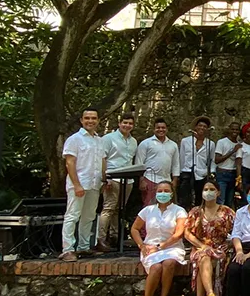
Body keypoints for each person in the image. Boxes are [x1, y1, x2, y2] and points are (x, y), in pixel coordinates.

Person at [129, 180, 187, 296]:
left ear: (172, 194)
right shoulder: (148, 210)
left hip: (172, 247)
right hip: (150, 247)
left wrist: (161, 246)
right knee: (156, 267)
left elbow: (179, 233)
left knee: (168, 263)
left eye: (166, 191)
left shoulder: (179, 210)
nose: (163, 194)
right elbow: (134, 229)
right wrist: (141, 244)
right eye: (160, 191)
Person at [183, 178, 235, 296]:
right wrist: (201, 245)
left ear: (218, 192)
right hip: (200, 246)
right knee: (203, 256)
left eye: (212, 189)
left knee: (204, 259)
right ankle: (210, 295)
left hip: (220, 248)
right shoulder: (195, 212)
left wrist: (230, 245)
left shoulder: (227, 212)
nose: (208, 192)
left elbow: (237, 233)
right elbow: (187, 233)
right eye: (206, 189)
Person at [60, 107, 108, 262]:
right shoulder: (74, 139)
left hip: (94, 184)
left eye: (93, 118)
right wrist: (77, 184)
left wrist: (104, 179)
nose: (90, 121)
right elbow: (70, 163)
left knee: (89, 217)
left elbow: (102, 162)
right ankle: (67, 249)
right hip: (79, 184)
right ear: (81, 120)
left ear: (98, 121)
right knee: (72, 215)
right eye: (87, 118)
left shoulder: (99, 141)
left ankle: (83, 247)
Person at [97, 112, 138, 252]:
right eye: (125, 123)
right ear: (119, 123)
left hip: (128, 180)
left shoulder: (133, 141)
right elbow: (103, 158)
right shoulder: (108, 138)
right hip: (112, 177)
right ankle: (101, 239)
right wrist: (105, 178)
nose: (127, 125)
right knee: (108, 208)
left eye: (130, 123)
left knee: (118, 210)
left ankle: (115, 237)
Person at [135, 118, 180, 206]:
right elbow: (139, 163)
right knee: (149, 206)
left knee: (167, 206)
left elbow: (176, 164)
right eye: (158, 127)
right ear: (154, 129)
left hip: (167, 180)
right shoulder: (146, 143)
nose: (161, 130)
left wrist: (174, 180)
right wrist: (141, 180)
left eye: (163, 128)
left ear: (167, 129)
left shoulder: (173, 145)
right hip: (149, 179)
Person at [178, 116, 216, 209]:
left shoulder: (210, 144)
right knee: (185, 198)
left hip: (202, 174)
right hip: (187, 172)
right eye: (200, 125)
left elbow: (212, 160)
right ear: (195, 127)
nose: (202, 128)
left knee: (200, 198)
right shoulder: (185, 141)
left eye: (204, 126)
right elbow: (181, 157)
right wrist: (180, 173)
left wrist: (211, 173)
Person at [214, 121, 242, 207]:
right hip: (222, 173)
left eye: (237, 129)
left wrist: (239, 178)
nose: (235, 131)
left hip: (232, 173)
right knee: (221, 200)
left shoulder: (239, 144)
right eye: (232, 129)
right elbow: (217, 160)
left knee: (229, 201)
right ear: (229, 130)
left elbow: (238, 162)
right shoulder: (222, 142)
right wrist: (233, 151)